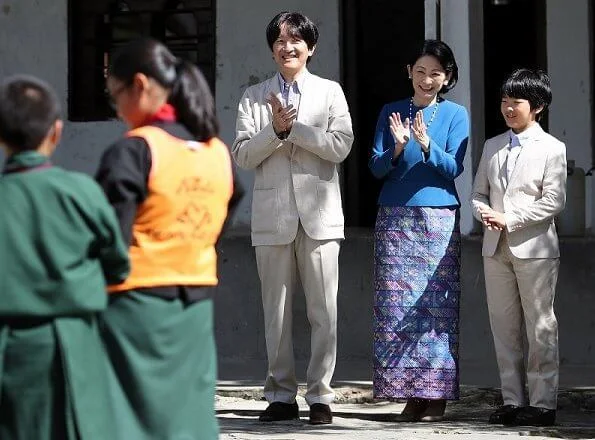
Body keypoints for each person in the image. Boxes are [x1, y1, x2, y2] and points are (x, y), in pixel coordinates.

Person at [97, 38, 242, 440]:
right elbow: (233, 199)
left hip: (134, 305)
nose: (117, 109)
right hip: (195, 304)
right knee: (186, 419)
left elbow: (109, 238)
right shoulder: (216, 151)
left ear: (140, 86)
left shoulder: (135, 150)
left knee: (129, 419)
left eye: (115, 96)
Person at [232, 11, 353, 425]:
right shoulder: (254, 96)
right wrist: (274, 132)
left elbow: (340, 146)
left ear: (311, 47)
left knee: (324, 311)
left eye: (296, 40)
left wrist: (295, 128)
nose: (288, 47)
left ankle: (321, 395)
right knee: (277, 313)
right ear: (272, 49)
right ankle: (281, 395)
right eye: (280, 41)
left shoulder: (330, 92)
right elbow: (243, 154)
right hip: (273, 217)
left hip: (320, 218)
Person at [0, 75, 130, 439]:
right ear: (56, 132)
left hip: (7, 348)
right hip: (74, 346)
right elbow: (117, 265)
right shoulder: (82, 193)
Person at [369, 39, 469, 422]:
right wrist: (396, 148)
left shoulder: (456, 114)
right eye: (421, 72)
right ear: (409, 71)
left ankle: (437, 392)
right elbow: (376, 168)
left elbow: (454, 168)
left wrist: (427, 145)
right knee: (397, 308)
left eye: (436, 74)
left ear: (447, 78)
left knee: (436, 309)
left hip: (438, 218)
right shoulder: (391, 112)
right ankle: (410, 393)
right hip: (395, 218)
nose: (428, 80)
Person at [470, 68, 566, 427]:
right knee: (504, 326)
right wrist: (484, 213)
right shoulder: (492, 145)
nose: (508, 108)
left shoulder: (552, 148)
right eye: (505, 101)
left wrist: (509, 218)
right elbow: (478, 192)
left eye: (517, 102)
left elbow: (554, 201)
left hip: (535, 248)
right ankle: (512, 400)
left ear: (537, 106)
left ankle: (543, 403)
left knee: (540, 326)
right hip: (495, 248)